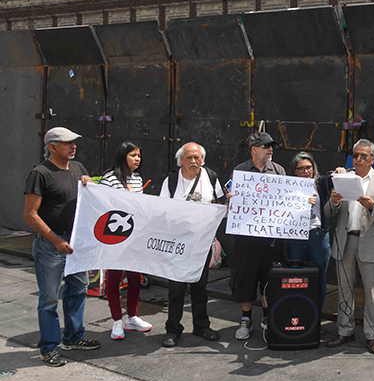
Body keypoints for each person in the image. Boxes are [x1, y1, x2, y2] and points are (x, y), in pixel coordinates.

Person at [24, 127, 99, 367]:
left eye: (74, 142)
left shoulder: (78, 168)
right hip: (51, 246)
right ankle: (49, 348)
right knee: (48, 299)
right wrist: (55, 239)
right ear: (53, 146)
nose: (73, 146)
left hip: (76, 243)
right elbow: (30, 215)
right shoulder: (40, 174)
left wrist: (89, 184)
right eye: (67, 143)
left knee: (78, 290)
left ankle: (73, 337)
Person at [325, 139, 374, 353]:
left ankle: (371, 334)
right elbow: (329, 213)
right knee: (345, 289)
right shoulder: (343, 177)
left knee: (372, 292)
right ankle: (344, 331)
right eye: (355, 155)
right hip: (345, 239)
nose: (358, 160)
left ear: (372, 159)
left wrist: (373, 205)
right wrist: (334, 201)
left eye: (363, 156)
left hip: (370, 242)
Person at [159, 142, 226, 347]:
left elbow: (221, 203)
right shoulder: (171, 181)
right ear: (181, 160)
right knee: (176, 289)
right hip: (178, 244)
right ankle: (173, 329)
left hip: (201, 244)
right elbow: (161, 209)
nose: (193, 161)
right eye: (189, 158)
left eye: (197, 158)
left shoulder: (211, 177)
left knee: (200, 287)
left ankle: (201, 326)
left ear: (202, 159)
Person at [231, 131, 288, 340]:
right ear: (254, 149)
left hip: (272, 239)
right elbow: (234, 202)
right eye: (266, 146)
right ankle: (246, 319)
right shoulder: (240, 171)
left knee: (268, 280)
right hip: (246, 239)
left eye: (271, 146)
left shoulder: (279, 171)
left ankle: (267, 317)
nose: (270, 150)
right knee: (246, 279)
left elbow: (287, 199)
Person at [99, 141, 153, 340]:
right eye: (133, 155)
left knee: (134, 277)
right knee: (114, 278)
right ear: (123, 156)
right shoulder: (110, 178)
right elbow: (102, 203)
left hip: (135, 235)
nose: (137, 159)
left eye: (139, 155)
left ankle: (132, 316)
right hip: (115, 235)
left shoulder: (137, 178)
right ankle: (116, 320)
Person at [287, 152, 341, 312]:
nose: (305, 171)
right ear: (295, 171)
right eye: (301, 168)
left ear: (313, 167)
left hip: (317, 235)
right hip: (295, 236)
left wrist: (338, 171)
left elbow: (332, 178)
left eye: (308, 167)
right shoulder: (287, 186)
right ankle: (298, 314)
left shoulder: (321, 183)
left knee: (319, 278)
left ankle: (315, 315)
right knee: (297, 278)